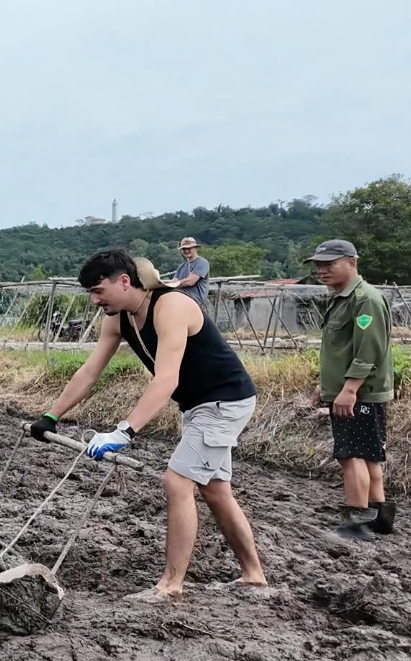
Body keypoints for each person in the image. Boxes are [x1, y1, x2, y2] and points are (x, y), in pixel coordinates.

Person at [28, 248, 267, 603]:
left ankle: (171, 586)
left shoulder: (171, 306)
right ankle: (253, 576)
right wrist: (52, 416)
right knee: (216, 490)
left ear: (124, 281)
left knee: (177, 482)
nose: (95, 300)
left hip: (224, 402)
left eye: (99, 291)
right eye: (91, 293)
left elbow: (166, 378)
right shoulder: (119, 318)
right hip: (198, 405)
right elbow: (90, 372)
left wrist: (125, 431)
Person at [304, 239, 396, 541]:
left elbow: (369, 350)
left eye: (329, 264)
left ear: (352, 262)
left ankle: (356, 523)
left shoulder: (364, 299)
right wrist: (326, 386)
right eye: (319, 265)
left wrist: (350, 389)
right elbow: (340, 349)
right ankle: (380, 517)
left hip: (360, 392)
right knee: (368, 455)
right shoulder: (342, 297)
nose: (322, 270)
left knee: (351, 455)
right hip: (348, 389)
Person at [164, 237, 211, 310]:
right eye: (184, 249)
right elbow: (174, 281)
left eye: (189, 248)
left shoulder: (202, 262)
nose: (186, 251)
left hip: (196, 304)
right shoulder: (181, 266)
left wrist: (174, 284)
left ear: (195, 248)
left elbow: (190, 282)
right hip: (181, 301)